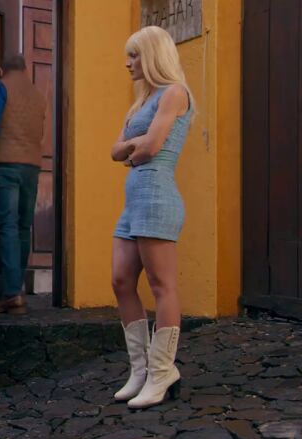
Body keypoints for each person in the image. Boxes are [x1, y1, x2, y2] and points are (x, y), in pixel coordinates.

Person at [109, 26, 194, 409]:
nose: (127, 63)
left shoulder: (175, 93)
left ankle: (162, 371)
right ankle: (140, 370)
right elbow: (116, 151)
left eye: (134, 55)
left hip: (157, 196)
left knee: (162, 285)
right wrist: (133, 147)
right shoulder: (142, 102)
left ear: (153, 55)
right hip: (134, 202)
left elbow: (152, 148)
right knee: (121, 280)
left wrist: (132, 149)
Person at [0, 54, 48, 316]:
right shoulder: (38, 95)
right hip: (32, 167)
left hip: (7, 165)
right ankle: (18, 290)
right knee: (23, 227)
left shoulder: (1, 87)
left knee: (7, 226)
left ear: (0, 69)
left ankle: (11, 293)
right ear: (25, 69)